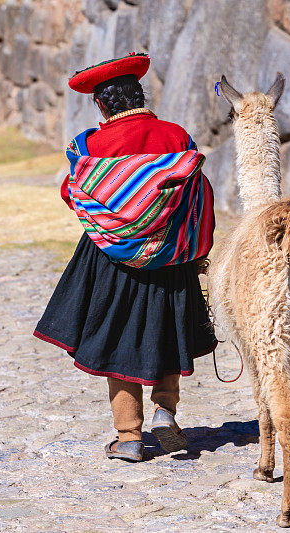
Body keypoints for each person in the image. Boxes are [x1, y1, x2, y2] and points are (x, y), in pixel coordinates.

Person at [34, 53, 217, 462]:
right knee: (167, 332)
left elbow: (73, 192)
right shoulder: (177, 137)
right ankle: (165, 412)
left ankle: (129, 437)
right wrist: (197, 250)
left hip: (110, 261)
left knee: (117, 341)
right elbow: (197, 194)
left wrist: (115, 200)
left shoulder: (88, 146)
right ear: (140, 95)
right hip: (170, 256)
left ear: (101, 104)